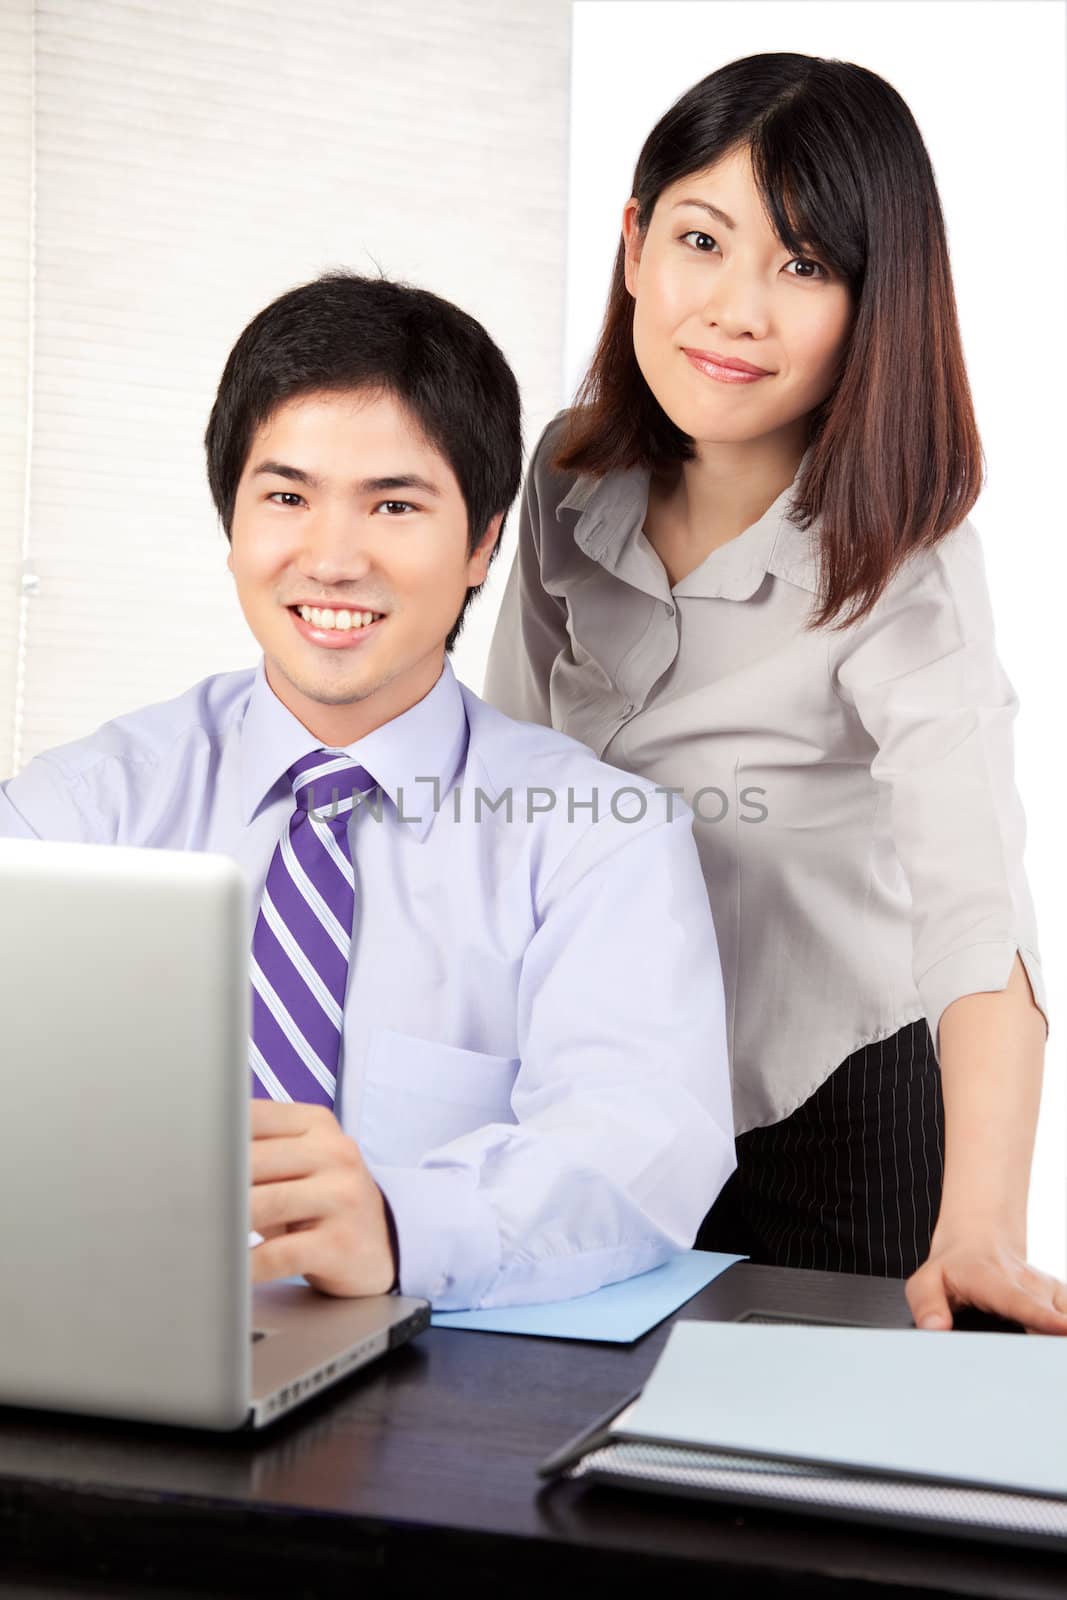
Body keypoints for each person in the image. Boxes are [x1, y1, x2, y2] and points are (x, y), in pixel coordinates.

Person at [0, 271, 735, 1311]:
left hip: (441, 1387)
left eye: (393, 504)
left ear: (482, 541)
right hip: (99, 1338)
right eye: (287, 497)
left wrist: (397, 1225)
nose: (332, 559)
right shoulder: (76, 815)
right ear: (233, 522)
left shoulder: (597, 840)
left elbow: (639, 1142)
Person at [484, 52, 1067, 1335]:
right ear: (635, 245)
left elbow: (979, 916)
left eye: (803, 266)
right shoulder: (566, 474)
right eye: (702, 239)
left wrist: (979, 1225)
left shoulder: (903, 558)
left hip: (829, 1112)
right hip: (605, 1086)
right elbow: (511, 784)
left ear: (874, 305)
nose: (737, 309)